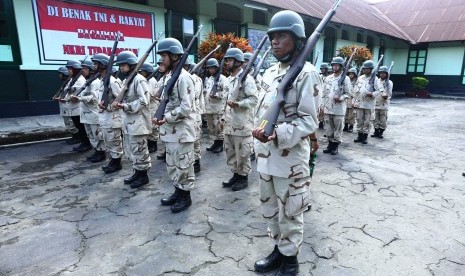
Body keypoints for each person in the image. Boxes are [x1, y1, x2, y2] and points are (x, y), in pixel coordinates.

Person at [252, 10, 320, 276]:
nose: (275, 42)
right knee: (269, 208)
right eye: (272, 37)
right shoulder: (270, 72)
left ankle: (291, 260)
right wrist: (258, 130)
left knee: (291, 212)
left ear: (297, 39)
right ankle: (278, 250)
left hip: (290, 159)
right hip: (266, 156)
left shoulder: (308, 74)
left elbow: (309, 121)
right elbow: (264, 111)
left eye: (282, 36)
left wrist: (277, 133)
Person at [153, 38, 196, 213]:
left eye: (164, 55)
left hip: (182, 132)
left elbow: (186, 108)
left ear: (175, 56)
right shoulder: (169, 77)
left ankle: (185, 197)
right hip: (170, 132)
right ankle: (177, 191)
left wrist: (166, 117)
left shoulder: (184, 78)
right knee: (172, 165)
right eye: (161, 55)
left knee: (184, 166)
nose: (162, 59)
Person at [112, 51, 152, 188]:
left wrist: (126, 106)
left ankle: (143, 176)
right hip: (129, 122)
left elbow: (144, 101)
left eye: (124, 65)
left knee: (140, 149)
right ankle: (137, 172)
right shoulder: (126, 80)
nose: (121, 68)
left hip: (138, 122)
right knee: (132, 150)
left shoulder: (139, 79)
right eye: (120, 66)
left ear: (131, 64)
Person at [221, 48, 257, 191]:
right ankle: (235, 174)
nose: (227, 63)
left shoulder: (247, 79)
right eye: (227, 60)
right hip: (230, 124)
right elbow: (226, 101)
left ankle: (243, 178)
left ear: (237, 62)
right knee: (230, 152)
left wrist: (239, 104)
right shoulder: (229, 80)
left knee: (243, 153)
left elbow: (254, 99)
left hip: (242, 125)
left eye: (230, 60)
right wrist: (223, 119)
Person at [70, 58, 106, 163]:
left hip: (93, 113)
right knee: (90, 134)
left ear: (91, 70)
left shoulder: (96, 83)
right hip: (86, 113)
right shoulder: (87, 82)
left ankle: (101, 152)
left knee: (97, 134)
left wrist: (79, 98)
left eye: (86, 68)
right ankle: (96, 150)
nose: (83, 71)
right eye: (83, 68)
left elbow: (94, 98)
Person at [94, 53, 124, 174]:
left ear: (103, 65)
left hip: (113, 117)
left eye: (96, 63)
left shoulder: (112, 81)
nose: (94, 65)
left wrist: (109, 106)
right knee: (108, 140)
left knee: (114, 141)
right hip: (105, 117)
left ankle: (117, 163)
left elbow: (120, 99)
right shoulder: (102, 81)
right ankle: (113, 160)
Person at [322, 56, 351, 155]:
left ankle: (335, 146)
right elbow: (324, 93)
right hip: (328, 107)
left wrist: (341, 98)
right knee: (328, 128)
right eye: (333, 65)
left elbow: (348, 93)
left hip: (339, 109)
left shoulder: (345, 79)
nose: (335, 67)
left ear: (341, 66)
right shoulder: (328, 78)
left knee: (338, 128)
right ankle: (330, 144)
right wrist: (322, 106)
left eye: (337, 65)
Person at [61, 60, 90, 153]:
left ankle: (86, 143)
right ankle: (83, 142)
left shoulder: (80, 80)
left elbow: (81, 93)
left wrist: (69, 97)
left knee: (82, 127)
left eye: (70, 69)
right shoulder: (72, 79)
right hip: (72, 108)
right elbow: (67, 91)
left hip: (78, 108)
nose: (69, 71)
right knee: (78, 126)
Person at [183, 59, 205, 173]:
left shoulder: (195, 79)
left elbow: (194, 95)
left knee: (195, 140)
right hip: (186, 114)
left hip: (195, 113)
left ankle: (196, 162)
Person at [204, 58, 227, 153]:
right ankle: (215, 142)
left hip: (218, 107)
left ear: (217, 68)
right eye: (209, 68)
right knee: (211, 127)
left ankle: (220, 144)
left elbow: (226, 93)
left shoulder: (223, 79)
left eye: (212, 68)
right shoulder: (210, 79)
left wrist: (217, 95)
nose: (211, 70)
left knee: (219, 127)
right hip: (209, 107)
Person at [353, 60, 379, 144]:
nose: (366, 70)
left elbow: (379, 91)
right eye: (364, 69)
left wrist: (372, 94)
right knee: (359, 120)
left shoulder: (375, 79)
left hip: (369, 104)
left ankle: (365, 136)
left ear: (371, 69)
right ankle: (359, 135)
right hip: (360, 103)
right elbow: (356, 90)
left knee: (367, 121)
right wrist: (354, 101)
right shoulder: (360, 78)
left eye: (368, 69)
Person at [54, 66, 80, 145]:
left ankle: (77, 137)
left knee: (72, 123)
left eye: (61, 74)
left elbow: (72, 94)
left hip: (69, 106)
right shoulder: (66, 83)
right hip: (65, 106)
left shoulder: (72, 82)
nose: (59, 76)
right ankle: (75, 136)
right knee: (68, 123)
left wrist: (64, 98)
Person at [139, 63, 159, 153]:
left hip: (152, 106)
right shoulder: (144, 80)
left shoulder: (151, 81)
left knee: (153, 126)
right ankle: (149, 142)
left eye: (143, 72)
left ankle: (153, 143)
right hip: (147, 107)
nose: (141, 73)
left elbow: (150, 95)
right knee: (147, 125)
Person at [372, 66, 393, 139]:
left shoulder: (389, 82)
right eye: (381, 73)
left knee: (383, 119)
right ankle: (376, 131)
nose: (382, 74)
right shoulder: (376, 81)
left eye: (384, 73)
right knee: (375, 119)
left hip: (384, 104)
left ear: (386, 74)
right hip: (376, 102)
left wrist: (386, 96)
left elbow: (390, 93)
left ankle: (381, 132)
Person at [344, 67, 357, 132]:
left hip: (353, 99)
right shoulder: (347, 80)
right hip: (347, 99)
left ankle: (351, 126)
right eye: (349, 74)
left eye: (352, 74)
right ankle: (345, 125)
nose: (350, 75)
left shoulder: (357, 81)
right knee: (345, 113)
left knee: (352, 114)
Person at [318, 62, 331, 129]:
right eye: (321, 69)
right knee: (320, 109)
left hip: (326, 95)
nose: (322, 70)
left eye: (324, 69)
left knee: (326, 110)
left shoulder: (329, 77)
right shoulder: (319, 76)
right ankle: (320, 121)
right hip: (320, 94)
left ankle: (326, 123)